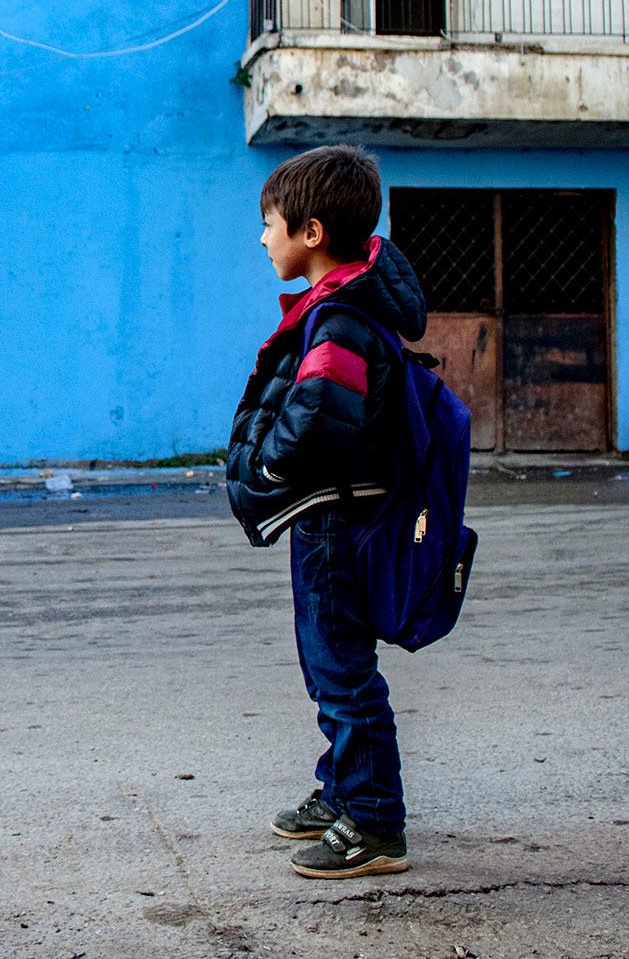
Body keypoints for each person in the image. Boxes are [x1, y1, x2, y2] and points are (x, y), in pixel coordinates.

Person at [224, 144, 428, 880]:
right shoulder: (339, 304)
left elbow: (320, 415)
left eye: (270, 223)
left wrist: (269, 464)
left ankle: (374, 822)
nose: (262, 237)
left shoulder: (340, 317)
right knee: (327, 662)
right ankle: (344, 787)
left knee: (341, 668)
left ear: (311, 232)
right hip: (327, 514)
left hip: (332, 518)